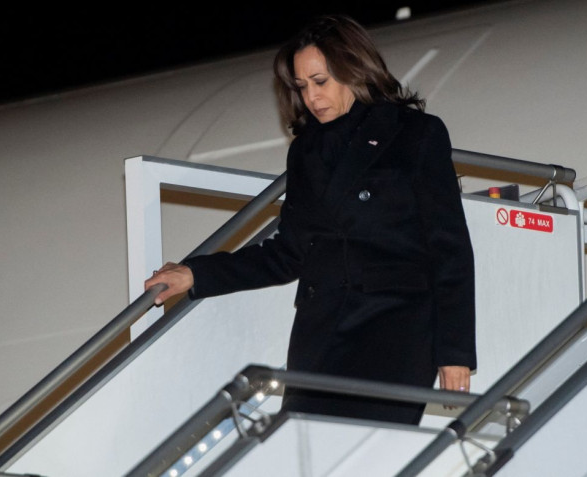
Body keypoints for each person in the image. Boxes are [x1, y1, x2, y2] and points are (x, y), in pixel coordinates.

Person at [145, 14, 476, 425]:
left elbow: (450, 250)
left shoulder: (415, 134)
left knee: (370, 454)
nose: (311, 97)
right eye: (302, 87)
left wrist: (454, 353)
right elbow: (287, 254)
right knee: (302, 447)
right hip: (321, 332)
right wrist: (197, 273)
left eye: (320, 81)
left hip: (395, 331)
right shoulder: (305, 151)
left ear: (354, 70)